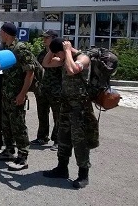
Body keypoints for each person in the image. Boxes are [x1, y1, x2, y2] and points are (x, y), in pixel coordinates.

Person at [42, 38, 95, 189]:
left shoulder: (82, 58)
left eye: (57, 53)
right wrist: (52, 51)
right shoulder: (65, 59)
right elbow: (46, 63)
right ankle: (61, 168)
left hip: (80, 108)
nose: (57, 56)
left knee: (80, 142)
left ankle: (83, 175)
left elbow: (72, 71)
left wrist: (66, 51)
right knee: (63, 137)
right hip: (66, 105)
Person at [0, 22, 35, 172]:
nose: (0, 34)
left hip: (16, 94)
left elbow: (30, 72)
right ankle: (9, 150)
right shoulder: (6, 48)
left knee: (18, 125)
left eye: (1, 32)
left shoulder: (20, 49)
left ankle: (23, 157)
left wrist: (22, 94)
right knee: (6, 123)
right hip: (5, 94)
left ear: (5, 33)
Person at [31, 29, 62, 151]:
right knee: (42, 114)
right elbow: (37, 70)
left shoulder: (60, 54)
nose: (44, 40)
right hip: (43, 89)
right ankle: (42, 137)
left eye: (46, 38)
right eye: (43, 37)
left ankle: (58, 140)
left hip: (56, 89)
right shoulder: (42, 53)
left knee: (58, 116)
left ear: (54, 39)